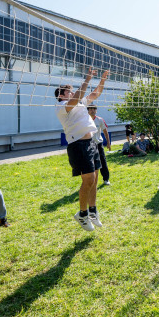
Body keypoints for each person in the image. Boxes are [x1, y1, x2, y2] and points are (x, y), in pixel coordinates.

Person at [55, 68, 108, 231]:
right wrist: (87, 78)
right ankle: (82, 214)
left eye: (71, 91)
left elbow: (95, 94)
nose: (71, 93)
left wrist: (102, 80)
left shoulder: (78, 103)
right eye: (68, 91)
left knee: (95, 178)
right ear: (62, 96)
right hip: (78, 145)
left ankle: (92, 210)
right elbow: (79, 95)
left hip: (92, 143)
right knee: (89, 180)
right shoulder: (62, 107)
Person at [87, 104, 111, 185]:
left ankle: (106, 179)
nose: (92, 110)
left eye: (94, 109)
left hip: (98, 144)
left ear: (96, 110)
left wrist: (108, 143)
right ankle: (91, 181)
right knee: (90, 163)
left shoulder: (100, 120)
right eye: (90, 109)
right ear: (88, 110)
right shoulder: (84, 120)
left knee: (102, 161)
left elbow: (105, 132)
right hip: (88, 144)